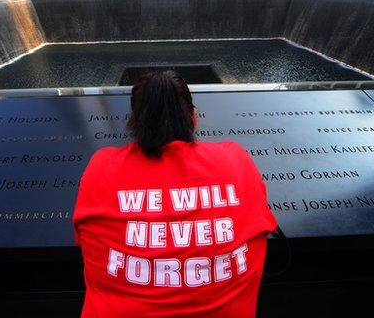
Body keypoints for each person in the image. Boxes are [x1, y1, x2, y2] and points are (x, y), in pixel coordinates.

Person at [73, 70, 278, 318]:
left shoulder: (101, 167)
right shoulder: (237, 159)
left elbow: (84, 240)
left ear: (135, 123)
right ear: (193, 118)